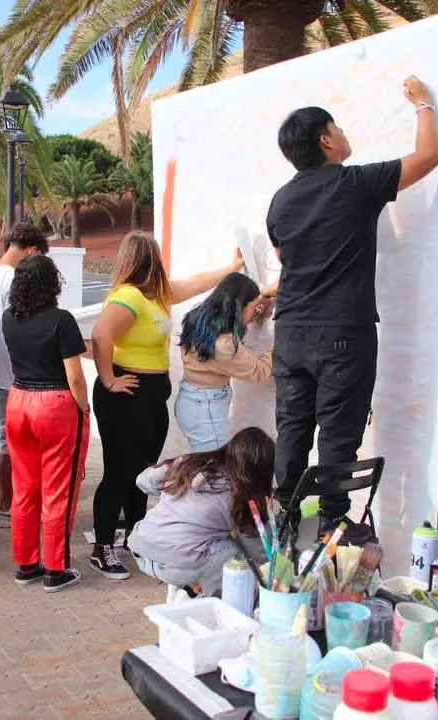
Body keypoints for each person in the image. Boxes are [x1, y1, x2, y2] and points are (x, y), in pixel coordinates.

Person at [266, 76, 438, 541]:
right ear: (325, 140)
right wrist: (424, 104)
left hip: (292, 332)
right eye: (337, 128)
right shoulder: (354, 183)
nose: (344, 134)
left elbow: (286, 259)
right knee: (339, 433)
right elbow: (427, 158)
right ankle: (331, 525)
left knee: (293, 428)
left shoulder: (280, 202)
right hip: (343, 332)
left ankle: (284, 519)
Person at [89, 230, 244, 580]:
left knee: (142, 471)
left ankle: (134, 537)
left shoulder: (155, 295)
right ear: (145, 260)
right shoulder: (128, 295)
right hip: (125, 398)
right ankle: (102, 547)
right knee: (119, 473)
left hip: (148, 399)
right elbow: (101, 335)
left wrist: (231, 269)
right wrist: (110, 379)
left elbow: (195, 283)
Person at [3, 254, 90, 593]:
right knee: (59, 490)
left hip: (19, 400)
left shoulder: (9, 318)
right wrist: (84, 408)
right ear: (51, 282)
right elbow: (76, 377)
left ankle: (25, 563)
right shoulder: (61, 320)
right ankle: (56, 567)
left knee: (25, 488)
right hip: (54, 404)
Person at [129, 427, 274, 597]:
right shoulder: (240, 497)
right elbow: (260, 552)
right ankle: (201, 598)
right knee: (240, 558)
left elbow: (142, 480)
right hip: (177, 565)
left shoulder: (190, 462)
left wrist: (172, 494)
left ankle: (187, 588)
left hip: (141, 547)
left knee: (208, 537)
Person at [0, 221, 49, 529]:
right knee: (8, 443)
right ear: (31, 250)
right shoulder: (13, 279)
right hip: (8, 372)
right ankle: (5, 506)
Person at [177, 272, 275, 452]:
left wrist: (253, 311)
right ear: (239, 307)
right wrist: (274, 346)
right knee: (214, 473)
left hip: (189, 400)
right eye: (252, 308)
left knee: (202, 464)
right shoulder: (225, 345)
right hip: (207, 411)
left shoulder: (197, 318)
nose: (255, 312)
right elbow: (259, 371)